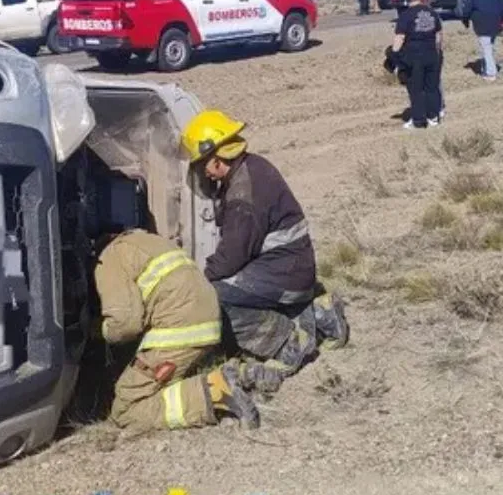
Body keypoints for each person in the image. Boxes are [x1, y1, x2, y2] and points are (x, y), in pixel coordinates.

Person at [180, 110, 349, 393]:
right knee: (241, 290)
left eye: (202, 166)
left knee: (216, 299)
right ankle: (321, 315)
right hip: (294, 269)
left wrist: (200, 282)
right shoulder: (252, 167)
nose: (203, 173)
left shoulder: (242, 196)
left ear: (217, 159)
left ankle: (286, 343)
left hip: (287, 274)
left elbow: (230, 259)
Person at [92, 228, 260, 431]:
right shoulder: (150, 240)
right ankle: (241, 374)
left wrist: (100, 331)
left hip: (180, 328)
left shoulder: (110, 257)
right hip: (209, 319)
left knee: (126, 408)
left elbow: (126, 324)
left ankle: (214, 391)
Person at [393, 0, 444, 129]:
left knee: (416, 89)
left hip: (414, 56)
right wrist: (438, 53)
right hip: (432, 54)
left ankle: (418, 119)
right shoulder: (431, 12)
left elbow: (400, 37)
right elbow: (439, 35)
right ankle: (433, 117)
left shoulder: (405, 16)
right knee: (432, 87)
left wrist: (395, 56)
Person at [461, 0, 503, 81]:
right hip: (495, 24)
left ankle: (491, 73)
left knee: (486, 48)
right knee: (489, 46)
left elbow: (466, 10)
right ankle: (487, 68)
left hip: (481, 24)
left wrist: (465, 21)